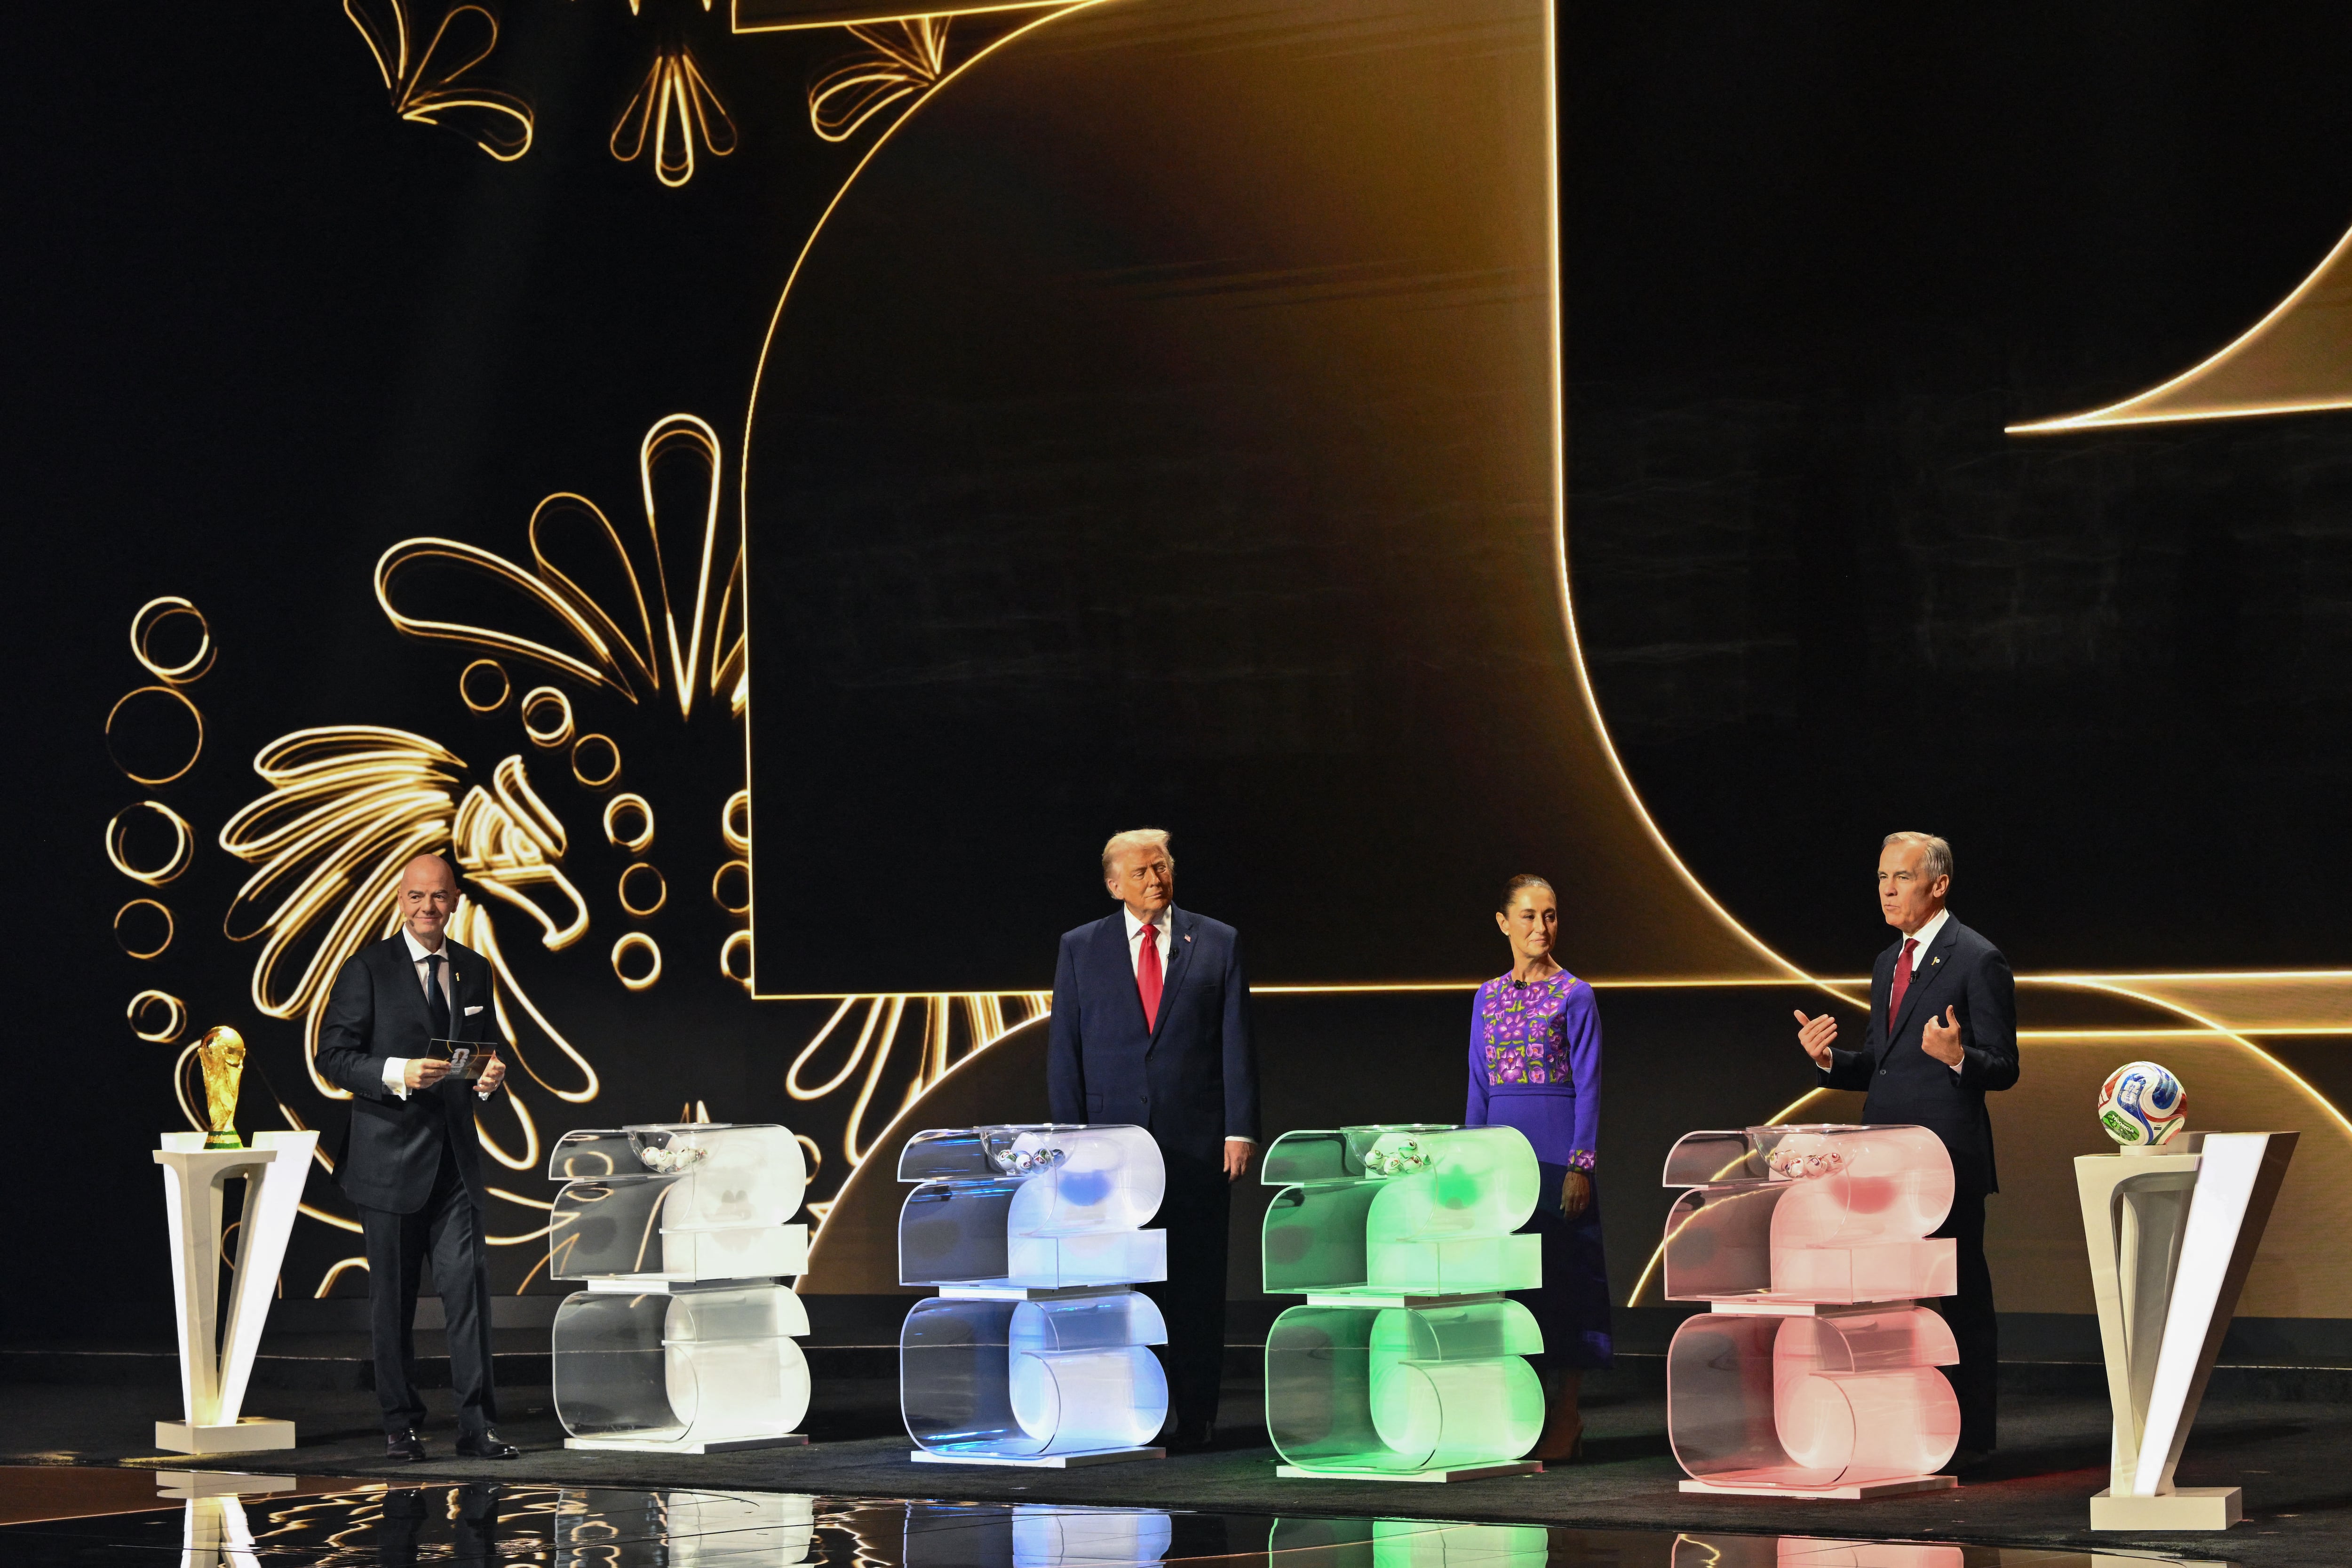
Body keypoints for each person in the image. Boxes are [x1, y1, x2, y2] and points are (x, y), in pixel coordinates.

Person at [1792, 830, 2018, 1465]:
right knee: (1892, 1298)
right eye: (1881, 877)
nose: (1888, 889)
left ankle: (1971, 1441)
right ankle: (1908, 1430)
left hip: (1946, 1160)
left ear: (1939, 885)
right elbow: (1883, 1066)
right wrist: (1831, 1059)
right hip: (1885, 1163)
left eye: (1903, 877)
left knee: (1960, 1294)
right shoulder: (1887, 962)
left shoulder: (1978, 959)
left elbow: (2004, 1064)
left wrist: (1961, 1057)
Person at [1047, 828, 1260, 1452]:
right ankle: (1133, 1410)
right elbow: (1067, 1052)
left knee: (1196, 1280)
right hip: (1110, 1153)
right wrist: (1068, 1144)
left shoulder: (1216, 942)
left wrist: (1239, 1129)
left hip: (1197, 1143)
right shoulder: (1081, 949)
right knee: (1124, 1283)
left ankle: (1196, 1414)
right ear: (1115, 883)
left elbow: (1235, 1042)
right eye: (1141, 872)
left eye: (1162, 866)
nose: (1155, 879)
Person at [316, 852, 518, 1462]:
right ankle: (400, 1424)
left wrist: (491, 1073)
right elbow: (334, 1056)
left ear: (455, 900)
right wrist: (400, 1071)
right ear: (399, 901)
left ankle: (477, 1426)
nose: (428, 907)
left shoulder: (475, 970)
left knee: (468, 1296)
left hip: (454, 1163)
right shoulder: (368, 969)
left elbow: (485, 1046)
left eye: (439, 897)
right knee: (394, 1304)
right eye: (416, 897)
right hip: (388, 1164)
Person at [1465, 874, 1611, 1461]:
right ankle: (1514, 1410)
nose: (1540, 928)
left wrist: (1580, 1165)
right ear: (1503, 922)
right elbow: (1477, 1085)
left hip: (1556, 1149)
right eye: (1527, 916)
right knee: (1509, 1283)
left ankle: (1566, 1413)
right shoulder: (1486, 996)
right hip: (1502, 1152)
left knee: (1565, 1280)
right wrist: (1467, 1163)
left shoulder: (1574, 995)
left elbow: (1590, 1084)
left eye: (1549, 916)